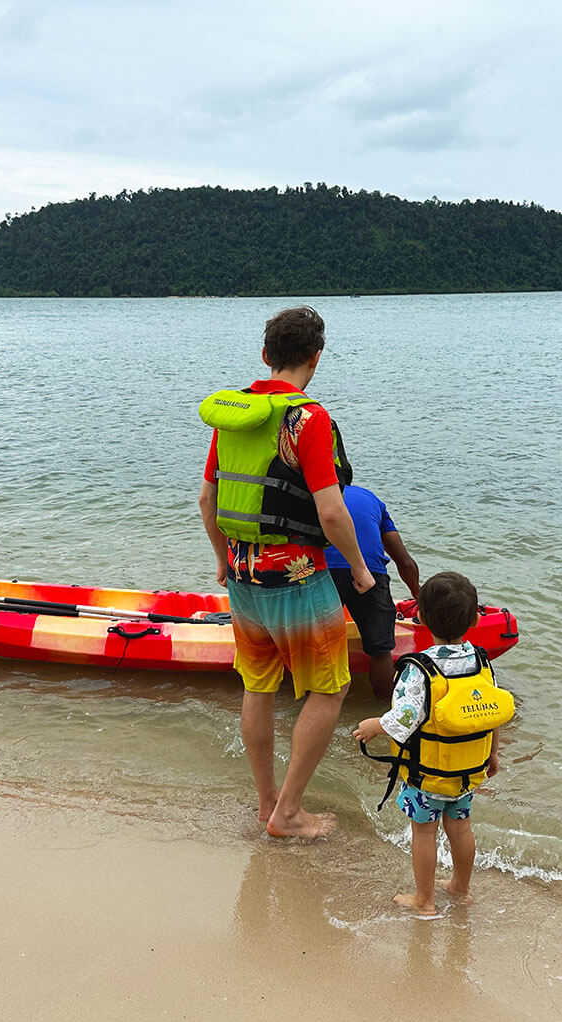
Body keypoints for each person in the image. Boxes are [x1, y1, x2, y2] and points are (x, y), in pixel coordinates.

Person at [198, 305, 375, 840]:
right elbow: (330, 511)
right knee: (330, 689)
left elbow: (208, 501)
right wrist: (362, 572)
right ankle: (290, 813)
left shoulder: (235, 415)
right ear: (316, 359)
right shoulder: (310, 419)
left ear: (265, 356)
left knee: (258, 685)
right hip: (297, 575)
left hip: (243, 574)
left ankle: (266, 801)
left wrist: (223, 562)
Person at [352, 571, 514, 915]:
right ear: (473, 620)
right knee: (461, 827)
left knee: (424, 833)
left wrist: (374, 726)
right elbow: (490, 711)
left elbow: (405, 717)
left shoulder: (419, 669)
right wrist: (493, 752)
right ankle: (461, 888)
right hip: (467, 772)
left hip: (427, 777)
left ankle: (424, 901)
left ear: (420, 617)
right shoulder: (481, 661)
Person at [323, 455, 421, 703]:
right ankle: (383, 708)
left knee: (315, 645)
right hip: (370, 575)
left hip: (322, 575)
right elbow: (405, 562)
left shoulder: (314, 498)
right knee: (380, 651)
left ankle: (314, 701)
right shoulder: (371, 499)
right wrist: (419, 598)